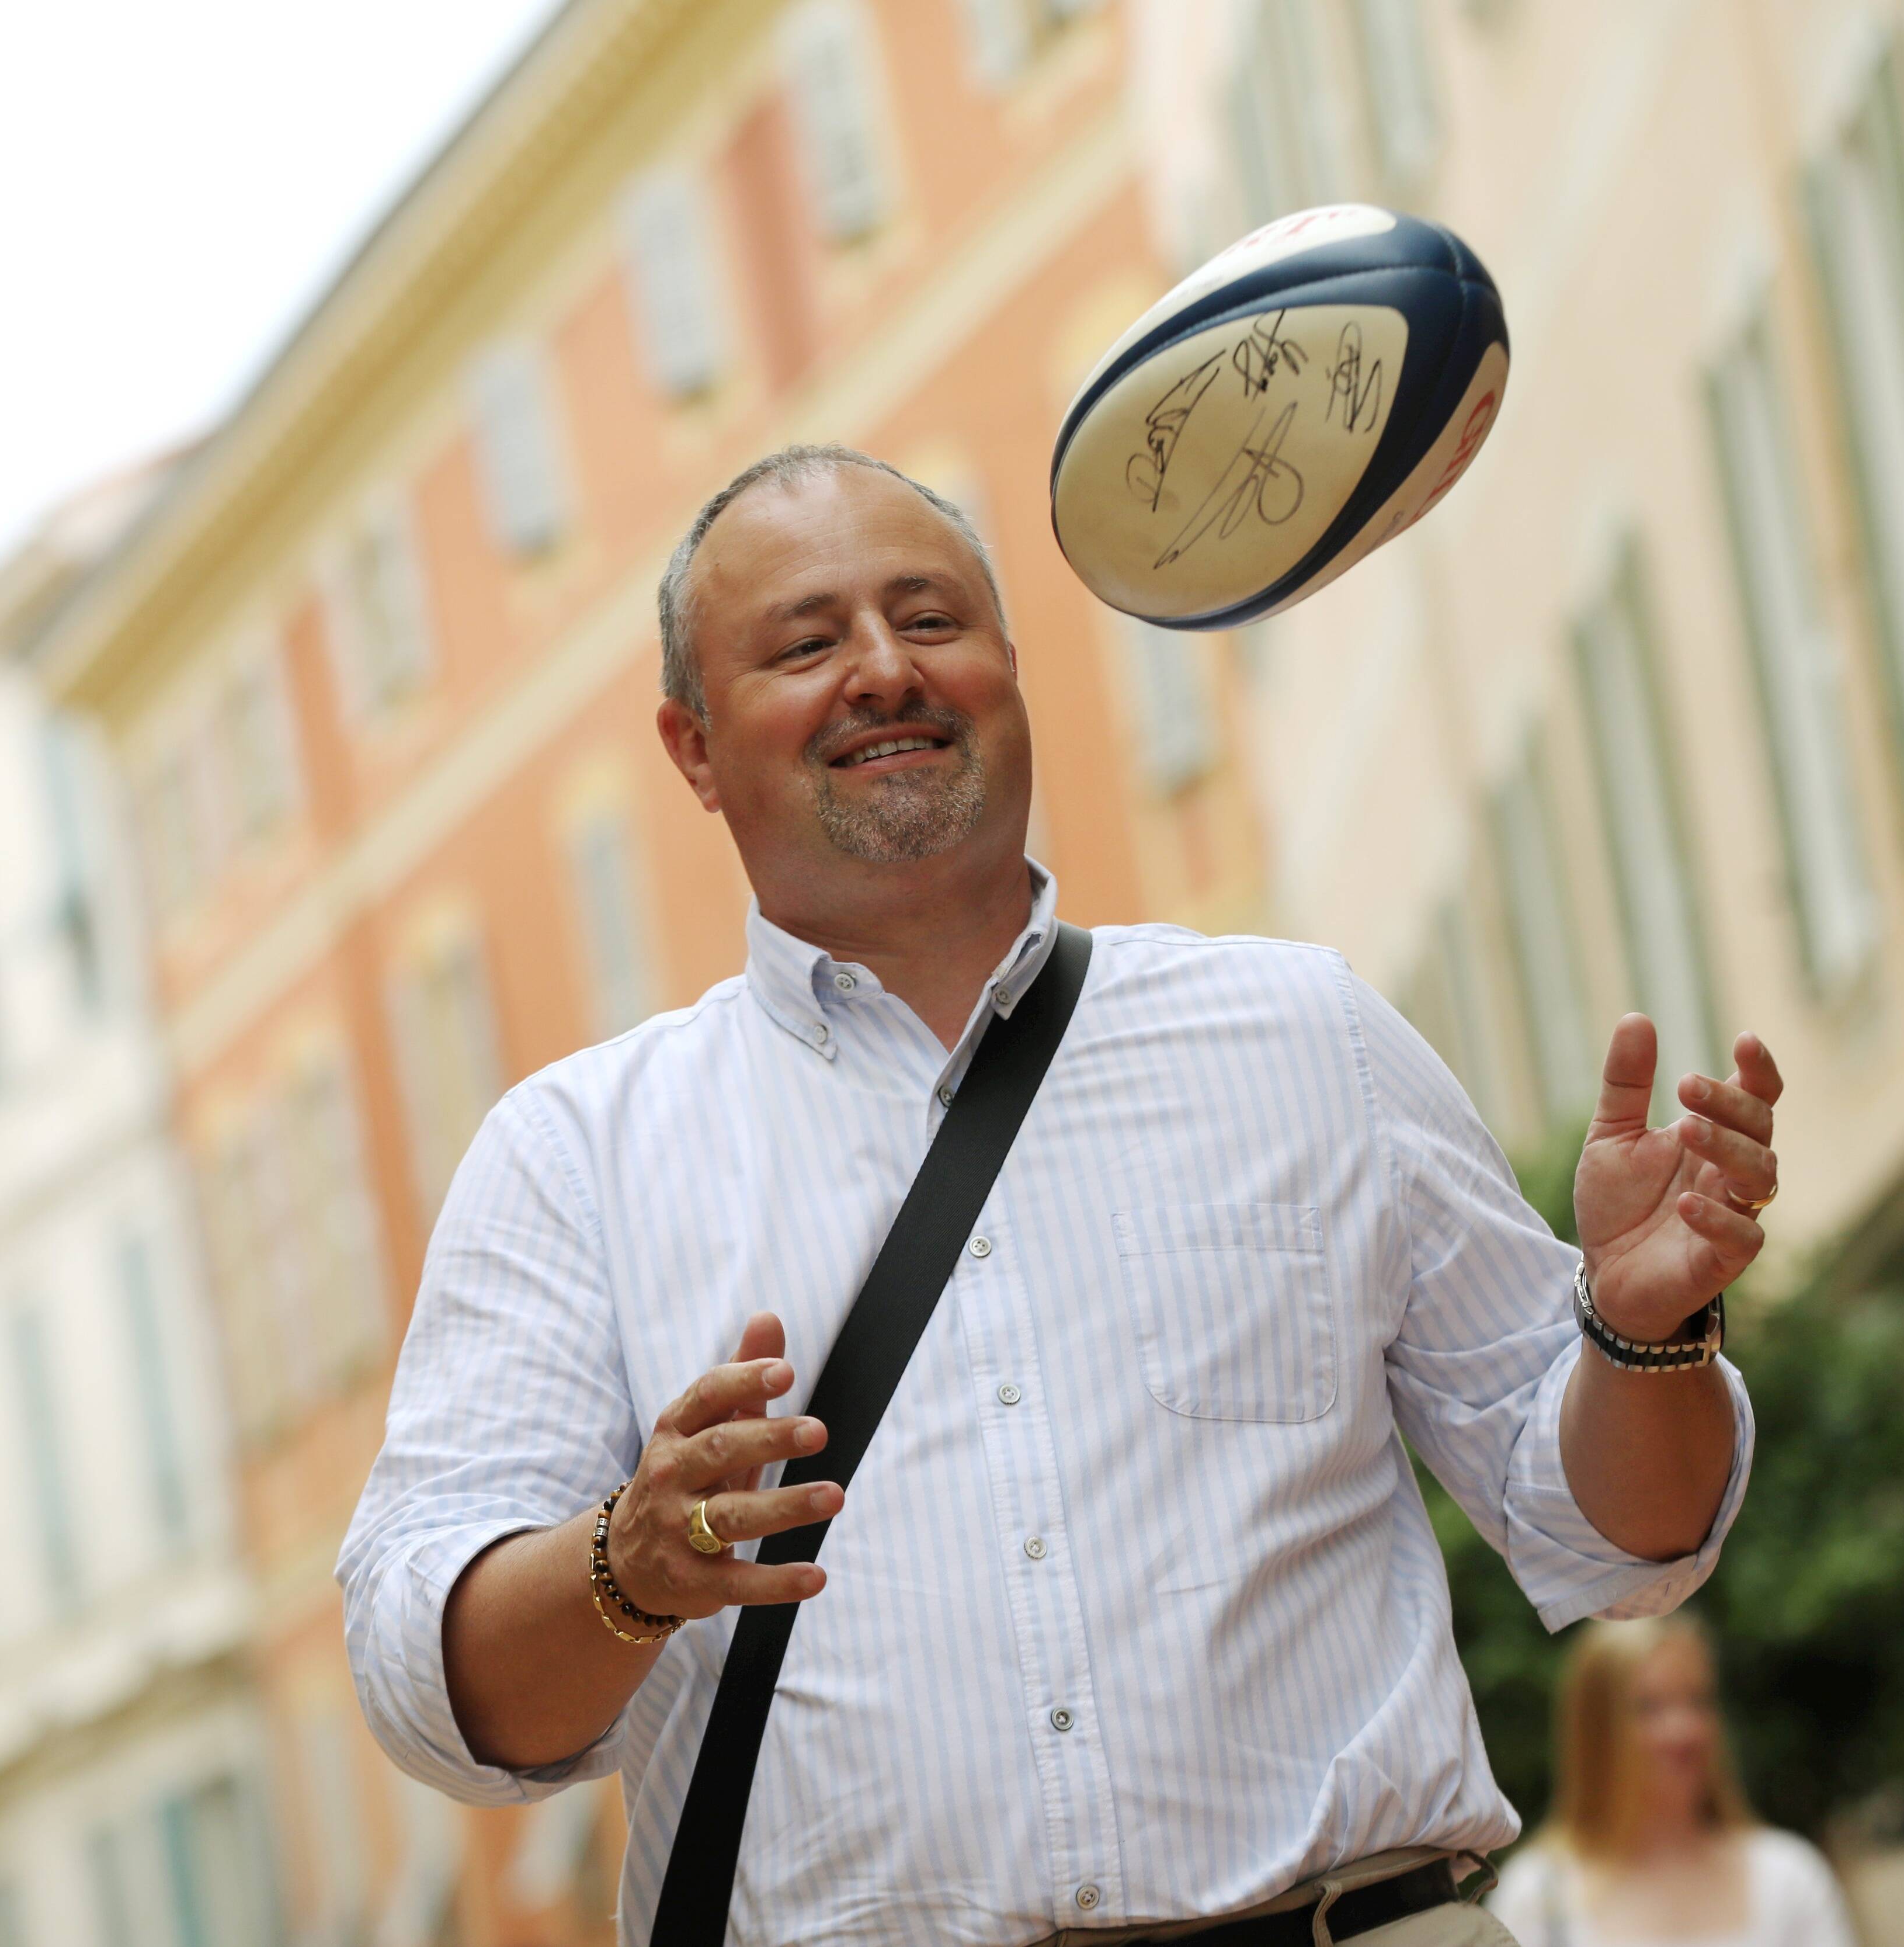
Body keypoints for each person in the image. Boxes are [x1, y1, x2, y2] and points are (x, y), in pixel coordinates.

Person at [336, 445, 1787, 1946]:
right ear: (692, 749)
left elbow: (1625, 1543)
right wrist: (623, 1570)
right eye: (807, 642)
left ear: (1010, 672)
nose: (884, 671)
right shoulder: (573, 1155)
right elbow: (430, 1693)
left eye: (931, 619)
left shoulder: (1307, 1035)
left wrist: (1642, 1337)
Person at [1487, 1618, 1853, 1947]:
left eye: (1698, 1701)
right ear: (1595, 1733)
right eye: (1648, 1708)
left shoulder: (1789, 1877)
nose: (1684, 1730)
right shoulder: (1537, 1897)